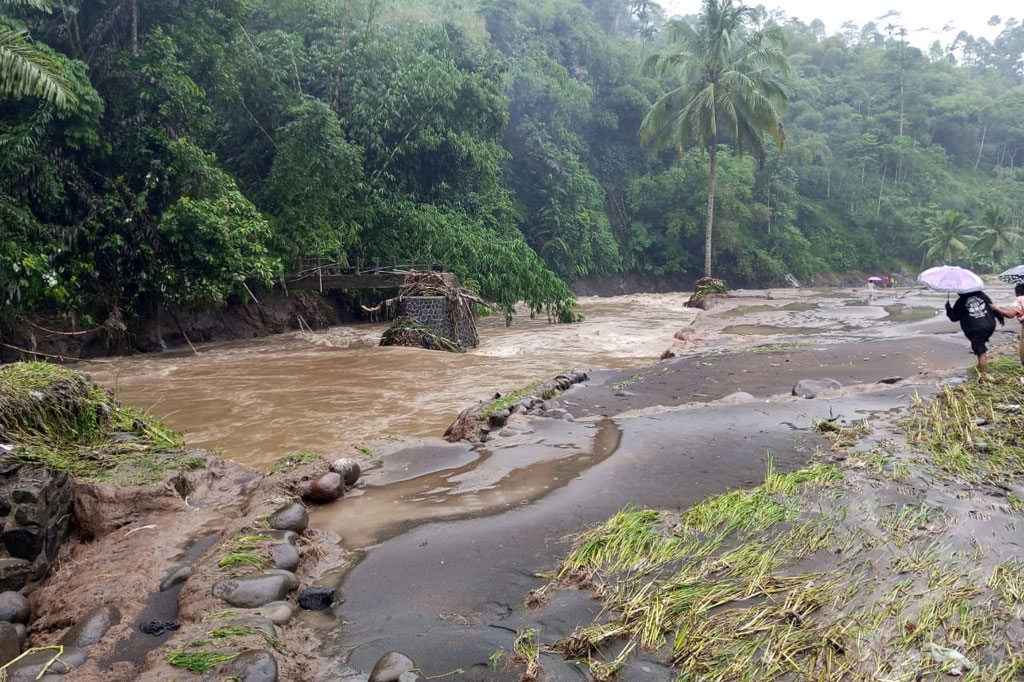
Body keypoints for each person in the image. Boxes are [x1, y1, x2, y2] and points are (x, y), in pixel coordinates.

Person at [946, 290, 1006, 377]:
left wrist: (948, 309)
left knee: (980, 353)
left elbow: (954, 317)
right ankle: (981, 368)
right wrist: (1000, 318)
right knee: (981, 346)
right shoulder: (982, 295)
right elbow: (992, 307)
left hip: (975, 329)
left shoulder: (961, 300)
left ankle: (983, 376)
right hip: (989, 325)